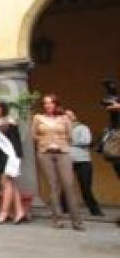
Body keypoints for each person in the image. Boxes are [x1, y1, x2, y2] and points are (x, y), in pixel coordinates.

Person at [31, 94, 83, 230]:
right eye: (45, 103)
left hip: (63, 152)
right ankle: (57, 219)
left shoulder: (65, 118)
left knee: (69, 184)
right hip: (45, 153)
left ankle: (77, 221)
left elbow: (70, 136)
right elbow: (34, 135)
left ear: (56, 104)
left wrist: (59, 142)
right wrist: (45, 142)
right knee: (53, 185)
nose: (48, 105)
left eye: (50, 103)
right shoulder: (38, 118)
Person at [0, 101, 26, 224]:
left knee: (5, 182)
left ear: (3, 108)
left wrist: (18, 155)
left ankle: (4, 212)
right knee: (11, 183)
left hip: (9, 155)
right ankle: (19, 211)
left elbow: (15, 139)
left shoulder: (10, 121)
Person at [66, 109, 103, 216]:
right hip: (67, 161)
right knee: (65, 185)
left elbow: (86, 141)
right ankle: (64, 209)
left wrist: (69, 141)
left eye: (70, 115)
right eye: (66, 115)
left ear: (74, 116)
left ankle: (95, 210)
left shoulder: (82, 127)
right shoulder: (63, 129)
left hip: (83, 161)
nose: (68, 117)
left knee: (85, 186)